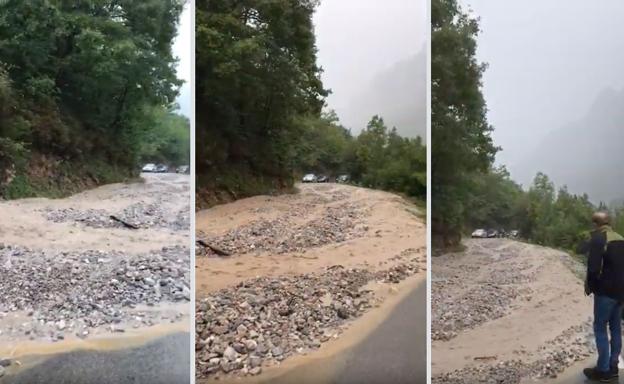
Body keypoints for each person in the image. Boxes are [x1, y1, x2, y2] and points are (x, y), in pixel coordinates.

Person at [584, 211, 624, 382]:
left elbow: (593, 268)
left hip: (605, 292)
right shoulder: (621, 238)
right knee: (616, 328)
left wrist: (590, 287)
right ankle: (613, 367)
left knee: (600, 327)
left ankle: (603, 370)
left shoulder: (598, 239)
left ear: (596, 224)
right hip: (621, 292)